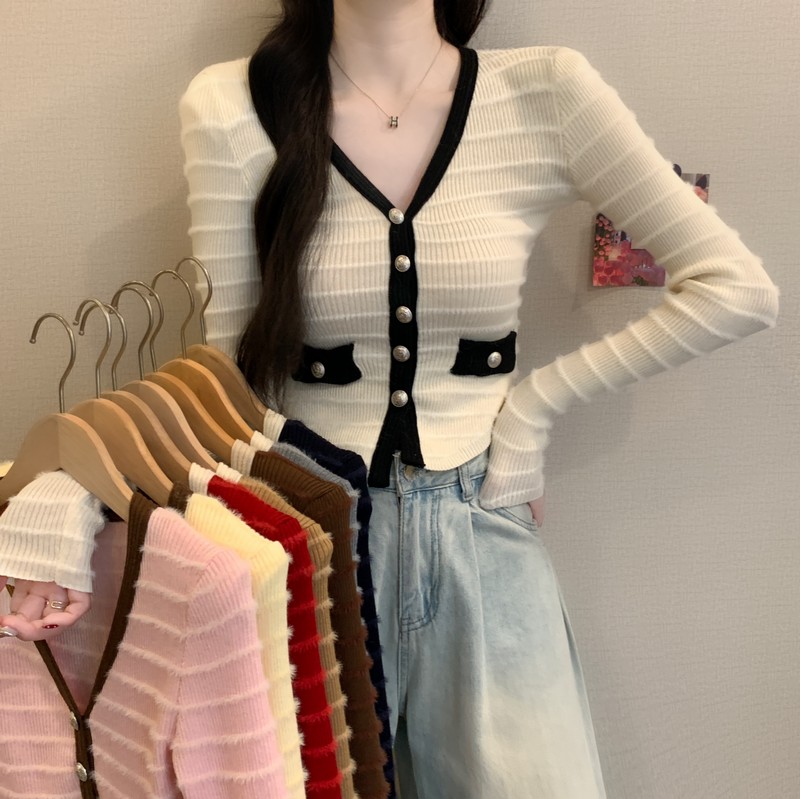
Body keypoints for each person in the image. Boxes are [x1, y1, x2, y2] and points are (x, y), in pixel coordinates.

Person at [1, 0, 779, 796]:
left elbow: (737, 289)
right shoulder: (232, 106)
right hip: (306, 547)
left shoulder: (546, 92)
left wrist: (533, 412)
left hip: (483, 535)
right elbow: (226, 375)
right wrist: (75, 486)